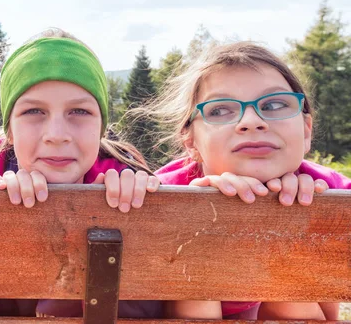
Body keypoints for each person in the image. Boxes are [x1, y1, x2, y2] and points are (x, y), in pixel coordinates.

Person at [0, 28, 218, 319]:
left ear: (101, 126)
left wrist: (131, 212)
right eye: (33, 112)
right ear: (9, 129)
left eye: (79, 112)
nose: (56, 135)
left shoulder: (126, 179)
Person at [147, 41, 349, 320]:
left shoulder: (330, 189)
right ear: (191, 142)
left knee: (292, 296)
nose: (251, 121)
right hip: (191, 308)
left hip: (283, 305)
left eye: (275, 104)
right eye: (219, 110)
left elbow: (329, 305)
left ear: (306, 131)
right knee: (193, 286)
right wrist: (193, 217)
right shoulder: (159, 193)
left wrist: (300, 224)